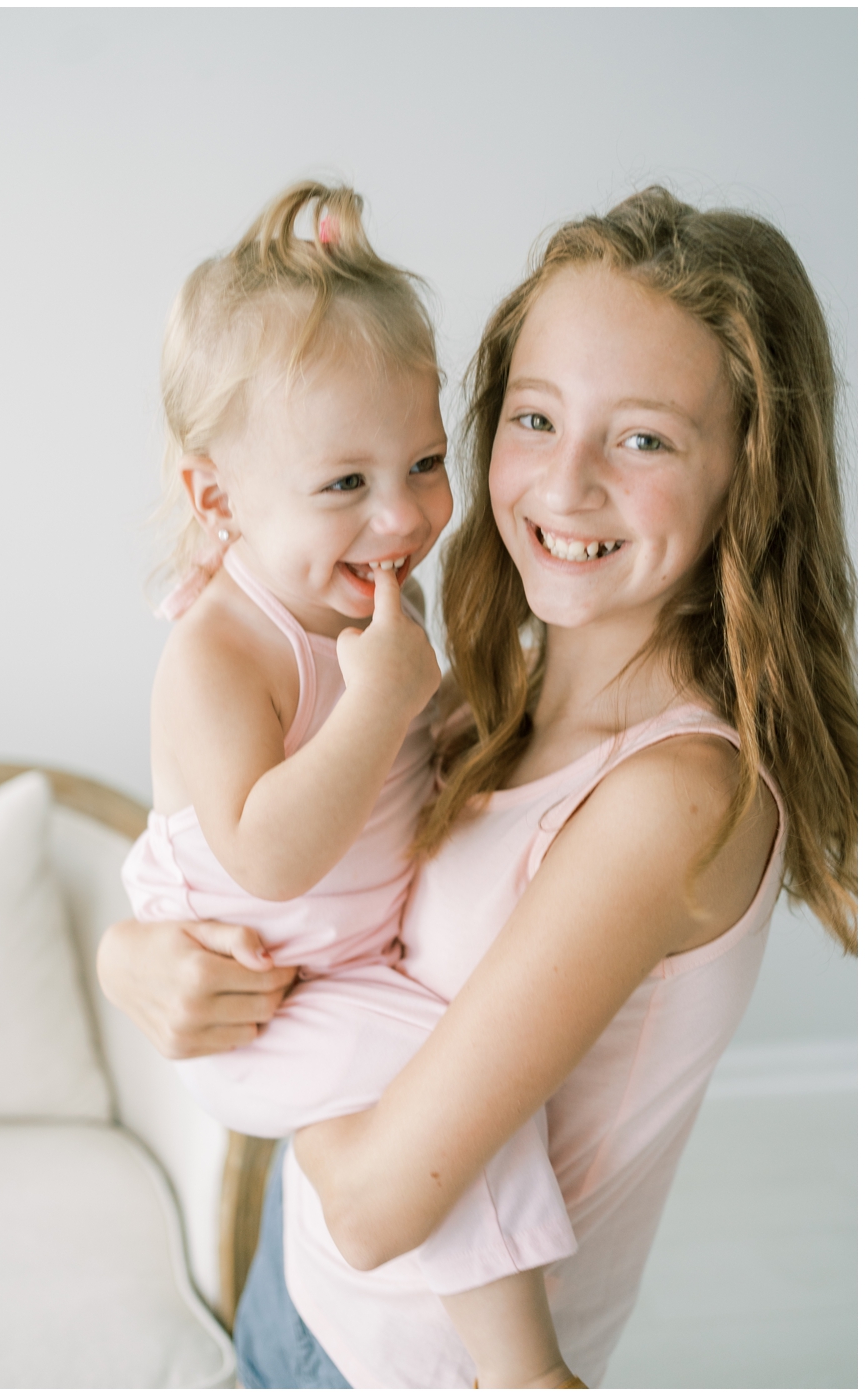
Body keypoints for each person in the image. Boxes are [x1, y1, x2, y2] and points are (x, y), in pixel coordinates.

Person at [99, 186, 854, 1388]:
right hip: (296, 1301)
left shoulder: (670, 800)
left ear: (745, 479)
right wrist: (130, 959)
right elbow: (269, 866)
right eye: (535, 418)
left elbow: (369, 1200)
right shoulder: (479, 694)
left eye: (644, 437)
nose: (564, 486)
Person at [126, 180, 580, 1388]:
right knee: (454, 1088)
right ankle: (526, 1369)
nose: (401, 518)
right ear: (215, 499)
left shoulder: (372, 598)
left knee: (456, 1081)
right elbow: (265, 852)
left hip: (343, 965)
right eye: (344, 485)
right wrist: (382, 698)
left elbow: (416, 746)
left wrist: (450, 706)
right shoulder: (220, 652)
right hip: (266, 993)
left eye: (424, 462)